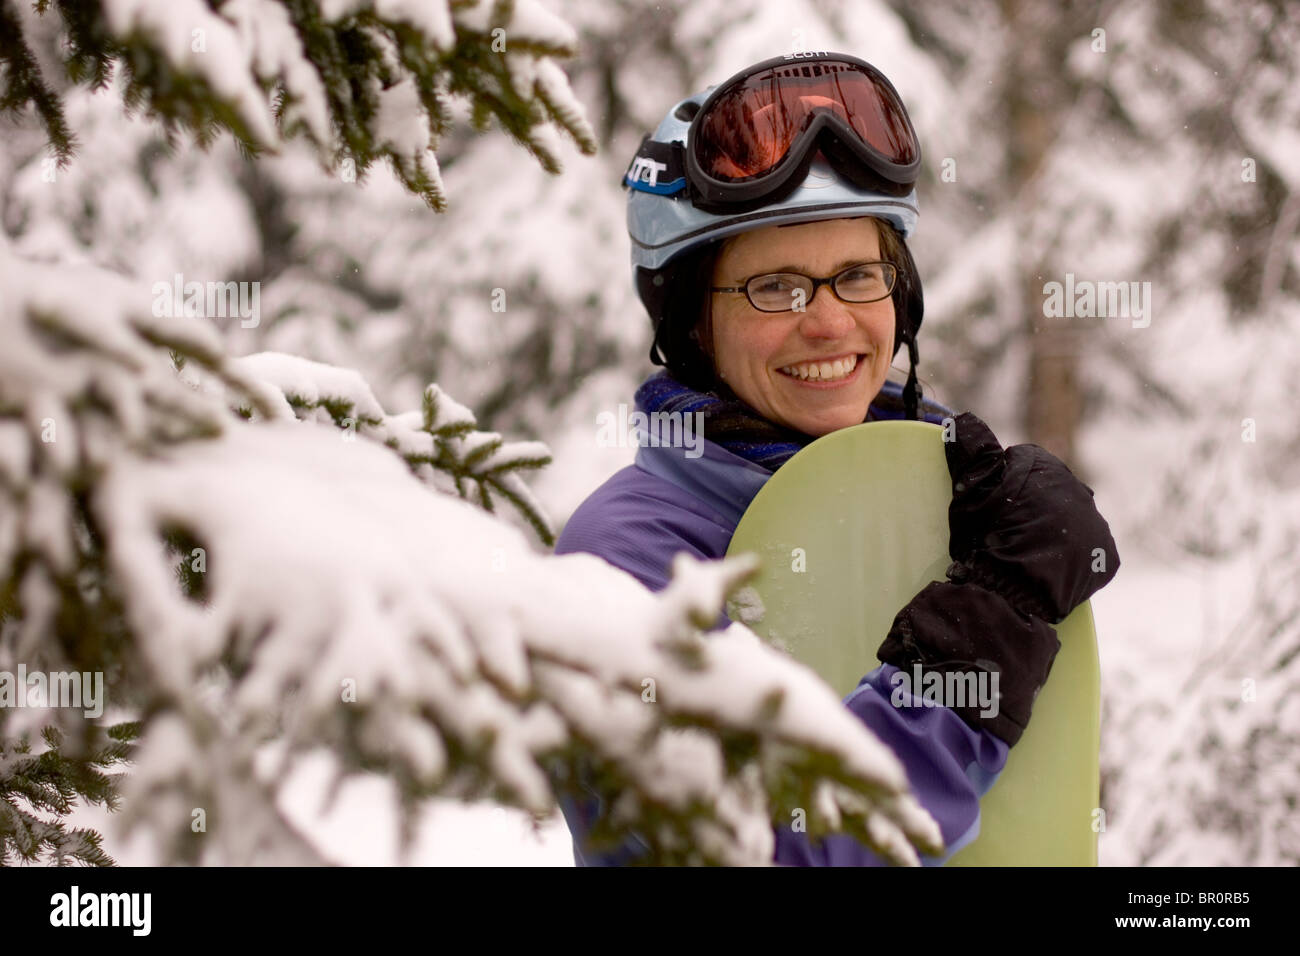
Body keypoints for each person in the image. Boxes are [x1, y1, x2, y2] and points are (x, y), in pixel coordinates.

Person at [554, 52, 1120, 865]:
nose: (828, 325)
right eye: (774, 288)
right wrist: (985, 635)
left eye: (857, 275)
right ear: (690, 325)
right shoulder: (625, 559)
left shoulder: (948, 498)